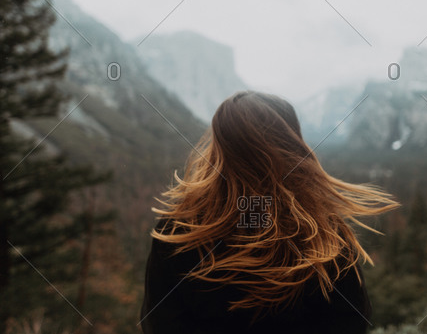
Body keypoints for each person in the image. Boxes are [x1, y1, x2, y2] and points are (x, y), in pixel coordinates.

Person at [140, 91, 398, 333]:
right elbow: (353, 321)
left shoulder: (178, 232)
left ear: (220, 148)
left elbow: (158, 322)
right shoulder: (325, 235)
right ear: (292, 145)